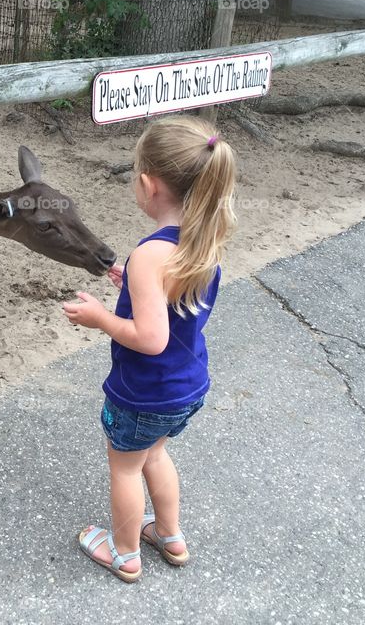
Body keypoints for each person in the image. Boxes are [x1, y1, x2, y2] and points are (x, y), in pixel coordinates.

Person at [62, 116, 237, 582]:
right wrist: (133, 290)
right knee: (155, 455)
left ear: (148, 184)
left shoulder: (148, 254)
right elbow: (171, 300)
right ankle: (170, 534)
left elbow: (151, 338)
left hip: (144, 393)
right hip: (187, 387)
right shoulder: (206, 237)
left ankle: (124, 552)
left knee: (125, 468)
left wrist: (101, 317)